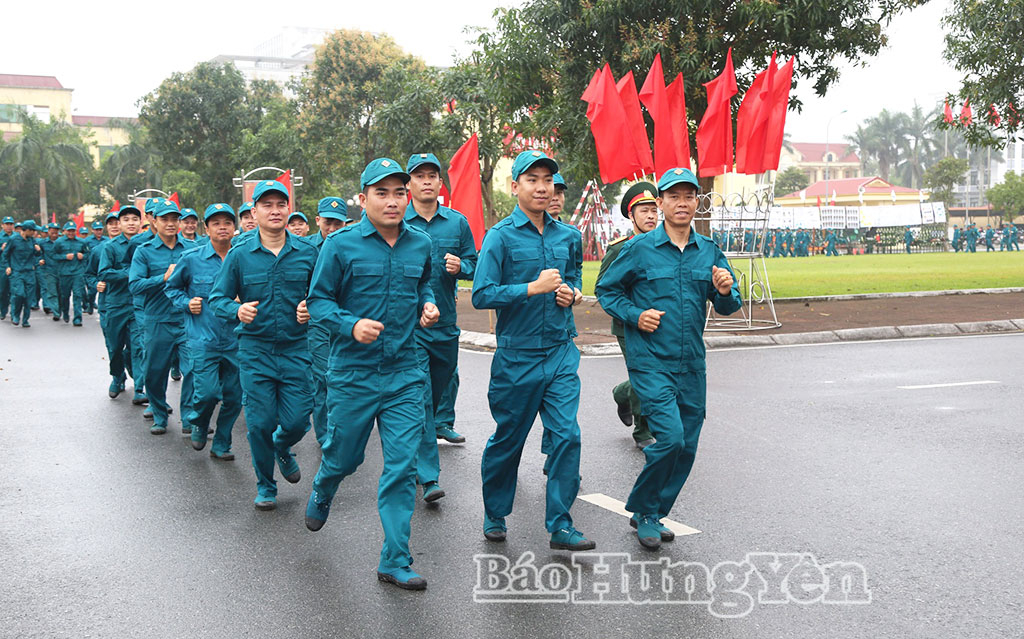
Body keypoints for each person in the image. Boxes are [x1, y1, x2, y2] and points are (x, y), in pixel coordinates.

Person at [305, 157, 439, 591]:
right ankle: (326, 484)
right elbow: (319, 302)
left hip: (404, 373)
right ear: (362, 200)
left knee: (400, 468)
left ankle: (395, 559)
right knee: (346, 457)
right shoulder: (340, 245)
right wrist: (351, 325)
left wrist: (428, 304)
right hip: (352, 373)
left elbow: (424, 284)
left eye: (400, 192)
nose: (394, 201)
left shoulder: (420, 243)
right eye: (382, 193)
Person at [596, 167, 742, 550]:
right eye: (673, 196)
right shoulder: (638, 250)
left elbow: (728, 305)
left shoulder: (708, 250)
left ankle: (654, 511)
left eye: (688, 196)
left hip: (692, 362)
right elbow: (606, 291)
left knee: (688, 445)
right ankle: (645, 512)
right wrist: (634, 315)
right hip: (650, 361)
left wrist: (726, 290)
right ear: (660, 203)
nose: (682, 203)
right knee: (671, 438)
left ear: (697, 201)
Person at [472, 150, 594, 552]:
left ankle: (560, 523)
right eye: (533, 180)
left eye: (548, 180)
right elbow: (481, 294)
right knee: (509, 439)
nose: (542, 188)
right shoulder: (499, 236)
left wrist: (570, 292)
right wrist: (531, 288)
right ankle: (495, 511)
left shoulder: (568, 236)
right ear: (516, 187)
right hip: (516, 355)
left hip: (560, 350)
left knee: (567, 436)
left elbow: (573, 278)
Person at [209, 180, 317, 510]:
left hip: (297, 350)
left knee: (299, 420)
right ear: (254, 212)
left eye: (280, 204)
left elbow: (326, 296)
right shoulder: (240, 255)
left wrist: (312, 308)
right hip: (255, 351)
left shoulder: (308, 253)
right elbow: (217, 299)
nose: (275, 210)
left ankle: (282, 446)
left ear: (289, 209)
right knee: (259, 423)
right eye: (266, 205)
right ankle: (266, 485)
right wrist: (236, 309)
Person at [403, 152, 478, 503]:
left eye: (433, 175)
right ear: (410, 185)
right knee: (419, 400)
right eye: (420, 176)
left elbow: (476, 266)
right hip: (410, 327)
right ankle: (428, 477)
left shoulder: (456, 223)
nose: (427, 180)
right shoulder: (396, 221)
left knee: (434, 397)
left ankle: (414, 448)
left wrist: (460, 264)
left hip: (445, 324)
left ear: (440, 182)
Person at [165, 203, 241, 459]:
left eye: (227, 223)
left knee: (234, 397)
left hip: (237, 339)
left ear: (234, 227)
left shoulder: (243, 257)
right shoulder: (192, 259)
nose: (223, 227)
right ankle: (199, 421)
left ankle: (222, 442)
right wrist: (187, 303)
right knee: (207, 392)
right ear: (205, 228)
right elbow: (172, 289)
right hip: (203, 338)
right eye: (216, 223)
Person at [598, 182, 660, 450]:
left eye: (654, 211)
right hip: (629, 326)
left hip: (660, 324)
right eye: (644, 211)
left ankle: (621, 393)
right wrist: (633, 315)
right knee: (645, 374)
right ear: (631, 215)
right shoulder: (619, 249)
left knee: (656, 374)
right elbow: (604, 289)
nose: (650, 216)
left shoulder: (665, 246)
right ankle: (642, 431)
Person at [129, 199, 196, 435]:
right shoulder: (143, 251)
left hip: (187, 319)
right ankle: (159, 413)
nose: (170, 223)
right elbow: (135, 285)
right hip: (157, 319)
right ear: (153, 221)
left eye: (174, 219)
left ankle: (189, 417)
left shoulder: (191, 249)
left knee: (193, 369)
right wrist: (163, 277)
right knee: (154, 372)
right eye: (164, 219)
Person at [305, 196, 350, 446]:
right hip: (318, 323)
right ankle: (325, 434)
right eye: (328, 222)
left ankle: (343, 428)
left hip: (346, 322)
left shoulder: (352, 245)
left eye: (338, 223)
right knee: (324, 378)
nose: (332, 229)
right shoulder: (305, 248)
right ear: (318, 220)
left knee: (345, 378)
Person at [98, 206, 144, 399]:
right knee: (115, 346)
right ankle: (117, 376)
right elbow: (104, 272)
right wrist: (129, 273)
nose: (131, 223)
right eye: (126, 219)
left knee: (138, 346)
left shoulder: (146, 244)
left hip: (138, 304)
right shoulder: (110, 247)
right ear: (120, 223)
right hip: (116, 303)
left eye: (135, 219)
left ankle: (140, 388)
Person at [2, 220, 42, 327]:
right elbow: (5, 255)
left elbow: (37, 255)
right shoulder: (13, 240)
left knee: (29, 297)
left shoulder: (32, 241)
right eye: (33, 230)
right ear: (27, 230)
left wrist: (38, 251)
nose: (34, 233)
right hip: (17, 272)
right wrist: (7, 266)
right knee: (19, 294)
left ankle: (25, 320)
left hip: (29, 272)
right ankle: (15, 315)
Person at [53, 221, 89, 326]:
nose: (71, 233)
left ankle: (78, 318)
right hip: (64, 273)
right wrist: (64, 257)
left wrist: (83, 256)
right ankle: (65, 312)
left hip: (78, 272)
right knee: (65, 295)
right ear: (64, 231)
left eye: (73, 231)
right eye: (69, 231)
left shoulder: (81, 242)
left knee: (78, 295)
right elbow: (53, 256)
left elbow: (88, 254)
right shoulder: (59, 242)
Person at [37, 222, 61, 315]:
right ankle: (54, 311)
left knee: (60, 292)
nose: (54, 235)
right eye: (52, 232)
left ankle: (59, 308)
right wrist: (40, 259)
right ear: (48, 232)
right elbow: (38, 254)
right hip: (48, 270)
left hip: (61, 270)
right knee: (50, 291)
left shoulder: (61, 242)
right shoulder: (42, 243)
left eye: (56, 232)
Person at [0, 216, 16, 320]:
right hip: (2, 267)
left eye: (11, 224)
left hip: (15, 266)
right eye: (7, 224)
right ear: (2, 225)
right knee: (2, 291)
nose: (9, 226)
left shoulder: (17, 237)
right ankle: (3, 310)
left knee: (15, 291)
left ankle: (14, 314)